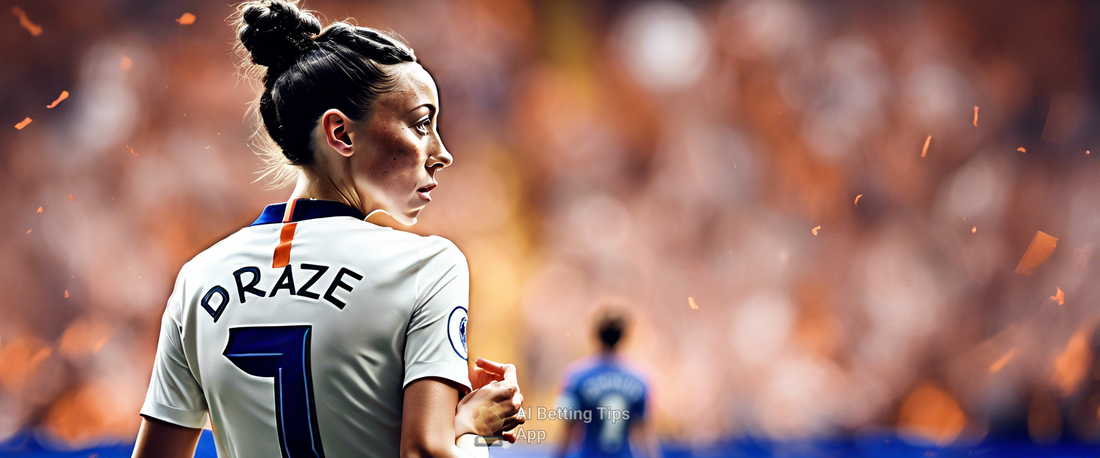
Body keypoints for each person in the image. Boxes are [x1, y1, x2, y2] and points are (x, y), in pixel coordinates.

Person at [131, 1, 523, 457]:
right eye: (420, 124)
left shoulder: (198, 278)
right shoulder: (429, 266)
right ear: (341, 133)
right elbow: (425, 451)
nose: (441, 152)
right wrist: (470, 427)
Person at [553, 308, 660, 458]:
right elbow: (645, 435)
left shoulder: (576, 377)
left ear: (595, 334)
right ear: (624, 335)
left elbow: (567, 430)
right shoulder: (639, 379)